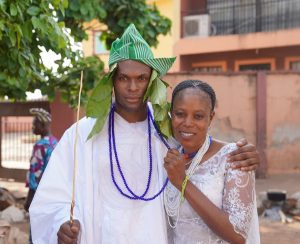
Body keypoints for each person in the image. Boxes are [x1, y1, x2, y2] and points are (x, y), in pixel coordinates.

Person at [29, 24, 259, 244]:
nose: (132, 87)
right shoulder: (82, 134)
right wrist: (60, 225)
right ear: (112, 81)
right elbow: (51, 198)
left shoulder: (167, 132)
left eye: (141, 78)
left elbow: (205, 152)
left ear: (152, 82)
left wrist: (244, 154)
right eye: (123, 78)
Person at [164, 80, 260, 243]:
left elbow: (237, 235)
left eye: (198, 116)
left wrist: (183, 184)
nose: (187, 123)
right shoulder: (169, 156)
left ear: (211, 117)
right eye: (180, 114)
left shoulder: (233, 157)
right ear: (171, 114)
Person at [24, 108, 58, 243]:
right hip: (54, 196)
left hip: (40, 197)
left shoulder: (40, 146)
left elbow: (35, 177)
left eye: (35, 124)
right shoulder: (55, 142)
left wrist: (28, 201)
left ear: (43, 126)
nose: (33, 126)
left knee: (36, 234)